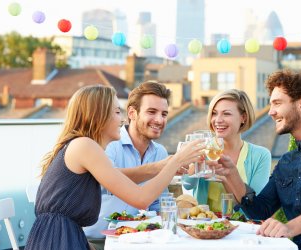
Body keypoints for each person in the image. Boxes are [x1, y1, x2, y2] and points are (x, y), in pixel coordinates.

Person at [25, 85, 204, 250]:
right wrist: (177, 161)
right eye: (117, 112)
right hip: (57, 242)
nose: (123, 119)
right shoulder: (85, 146)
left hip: (63, 238)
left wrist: (166, 165)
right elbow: (141, 198)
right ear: (99, 115)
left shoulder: (83, 146)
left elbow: (120, 179)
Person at [215, 69, 301, 249]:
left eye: (277, 103)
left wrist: (288, 228)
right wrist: (231, 174)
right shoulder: (286, 161)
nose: (270, 112)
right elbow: (259, 210)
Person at [83, 81, 182, 249]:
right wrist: (164, 166)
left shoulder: (160, 152)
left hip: (138, 240)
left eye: (164, 114)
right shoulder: (107, 144)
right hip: (96, 242)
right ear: (132, 113)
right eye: (152, 112)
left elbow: (159, 205)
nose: (159, 120)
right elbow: (109, 179)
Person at [182, 89, 271, 215]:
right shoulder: (204, 148)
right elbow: (187, 185)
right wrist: (196, 164)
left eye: (226, 114)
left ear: (243, 117)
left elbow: (254, 208)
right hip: (204, 228)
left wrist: (226, 179)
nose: (217, 120)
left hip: (244, 229)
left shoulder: (260, 156)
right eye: (214, 113)